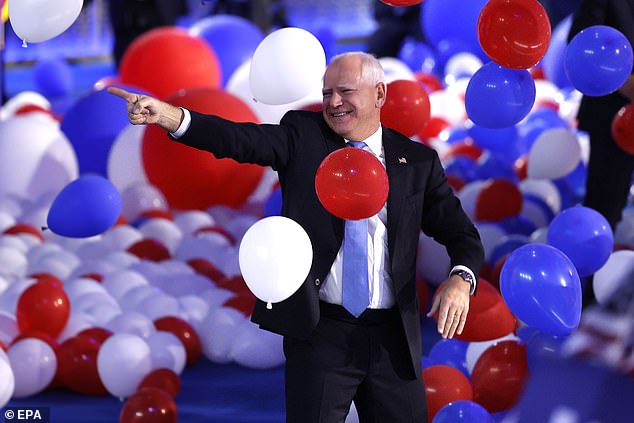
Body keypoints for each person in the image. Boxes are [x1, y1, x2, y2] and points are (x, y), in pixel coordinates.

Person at [109, 52, 484, 423]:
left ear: (380, 94)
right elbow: (238, 139)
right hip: (322, 333)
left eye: (345, 91)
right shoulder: (303, 136)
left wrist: (460, 278)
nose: (333, 102)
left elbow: (461, 234)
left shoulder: (416, 161)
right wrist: (172, 117)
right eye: (326, 93)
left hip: (393, 339)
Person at [567, 0, 634, 307]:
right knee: (605, 204)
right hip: (611, 115)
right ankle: (594, 294)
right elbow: (580, 45)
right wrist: (622, 80)